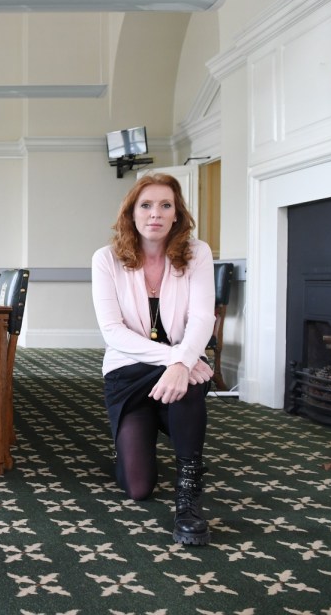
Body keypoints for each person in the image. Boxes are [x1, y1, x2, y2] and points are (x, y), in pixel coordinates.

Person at [91, 173, 215, 546]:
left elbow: (202, 318)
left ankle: (188, 492)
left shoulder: (197, 253)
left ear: (177, 214)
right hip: (128, 373)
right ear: (131, 213)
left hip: (179, 374)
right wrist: (179, 358)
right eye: (146, 205)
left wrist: (179, 366)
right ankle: (139, 440)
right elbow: (112, 332)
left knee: (190, 385)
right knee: (138, 488)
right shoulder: (107, 259)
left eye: (165, 205)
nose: (155, 214)